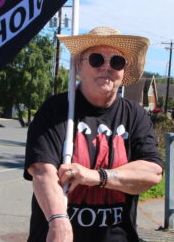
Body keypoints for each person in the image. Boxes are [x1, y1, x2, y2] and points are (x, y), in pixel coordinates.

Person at [24, 26, 163, 241]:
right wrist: (59, 222)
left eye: (117, 62)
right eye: (97, 59)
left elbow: (152, 173)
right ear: (80, 64)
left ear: (124, 70)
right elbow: (42, 170)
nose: (106, 67)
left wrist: (97, 176)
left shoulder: (134, 115)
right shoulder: (56, 110)